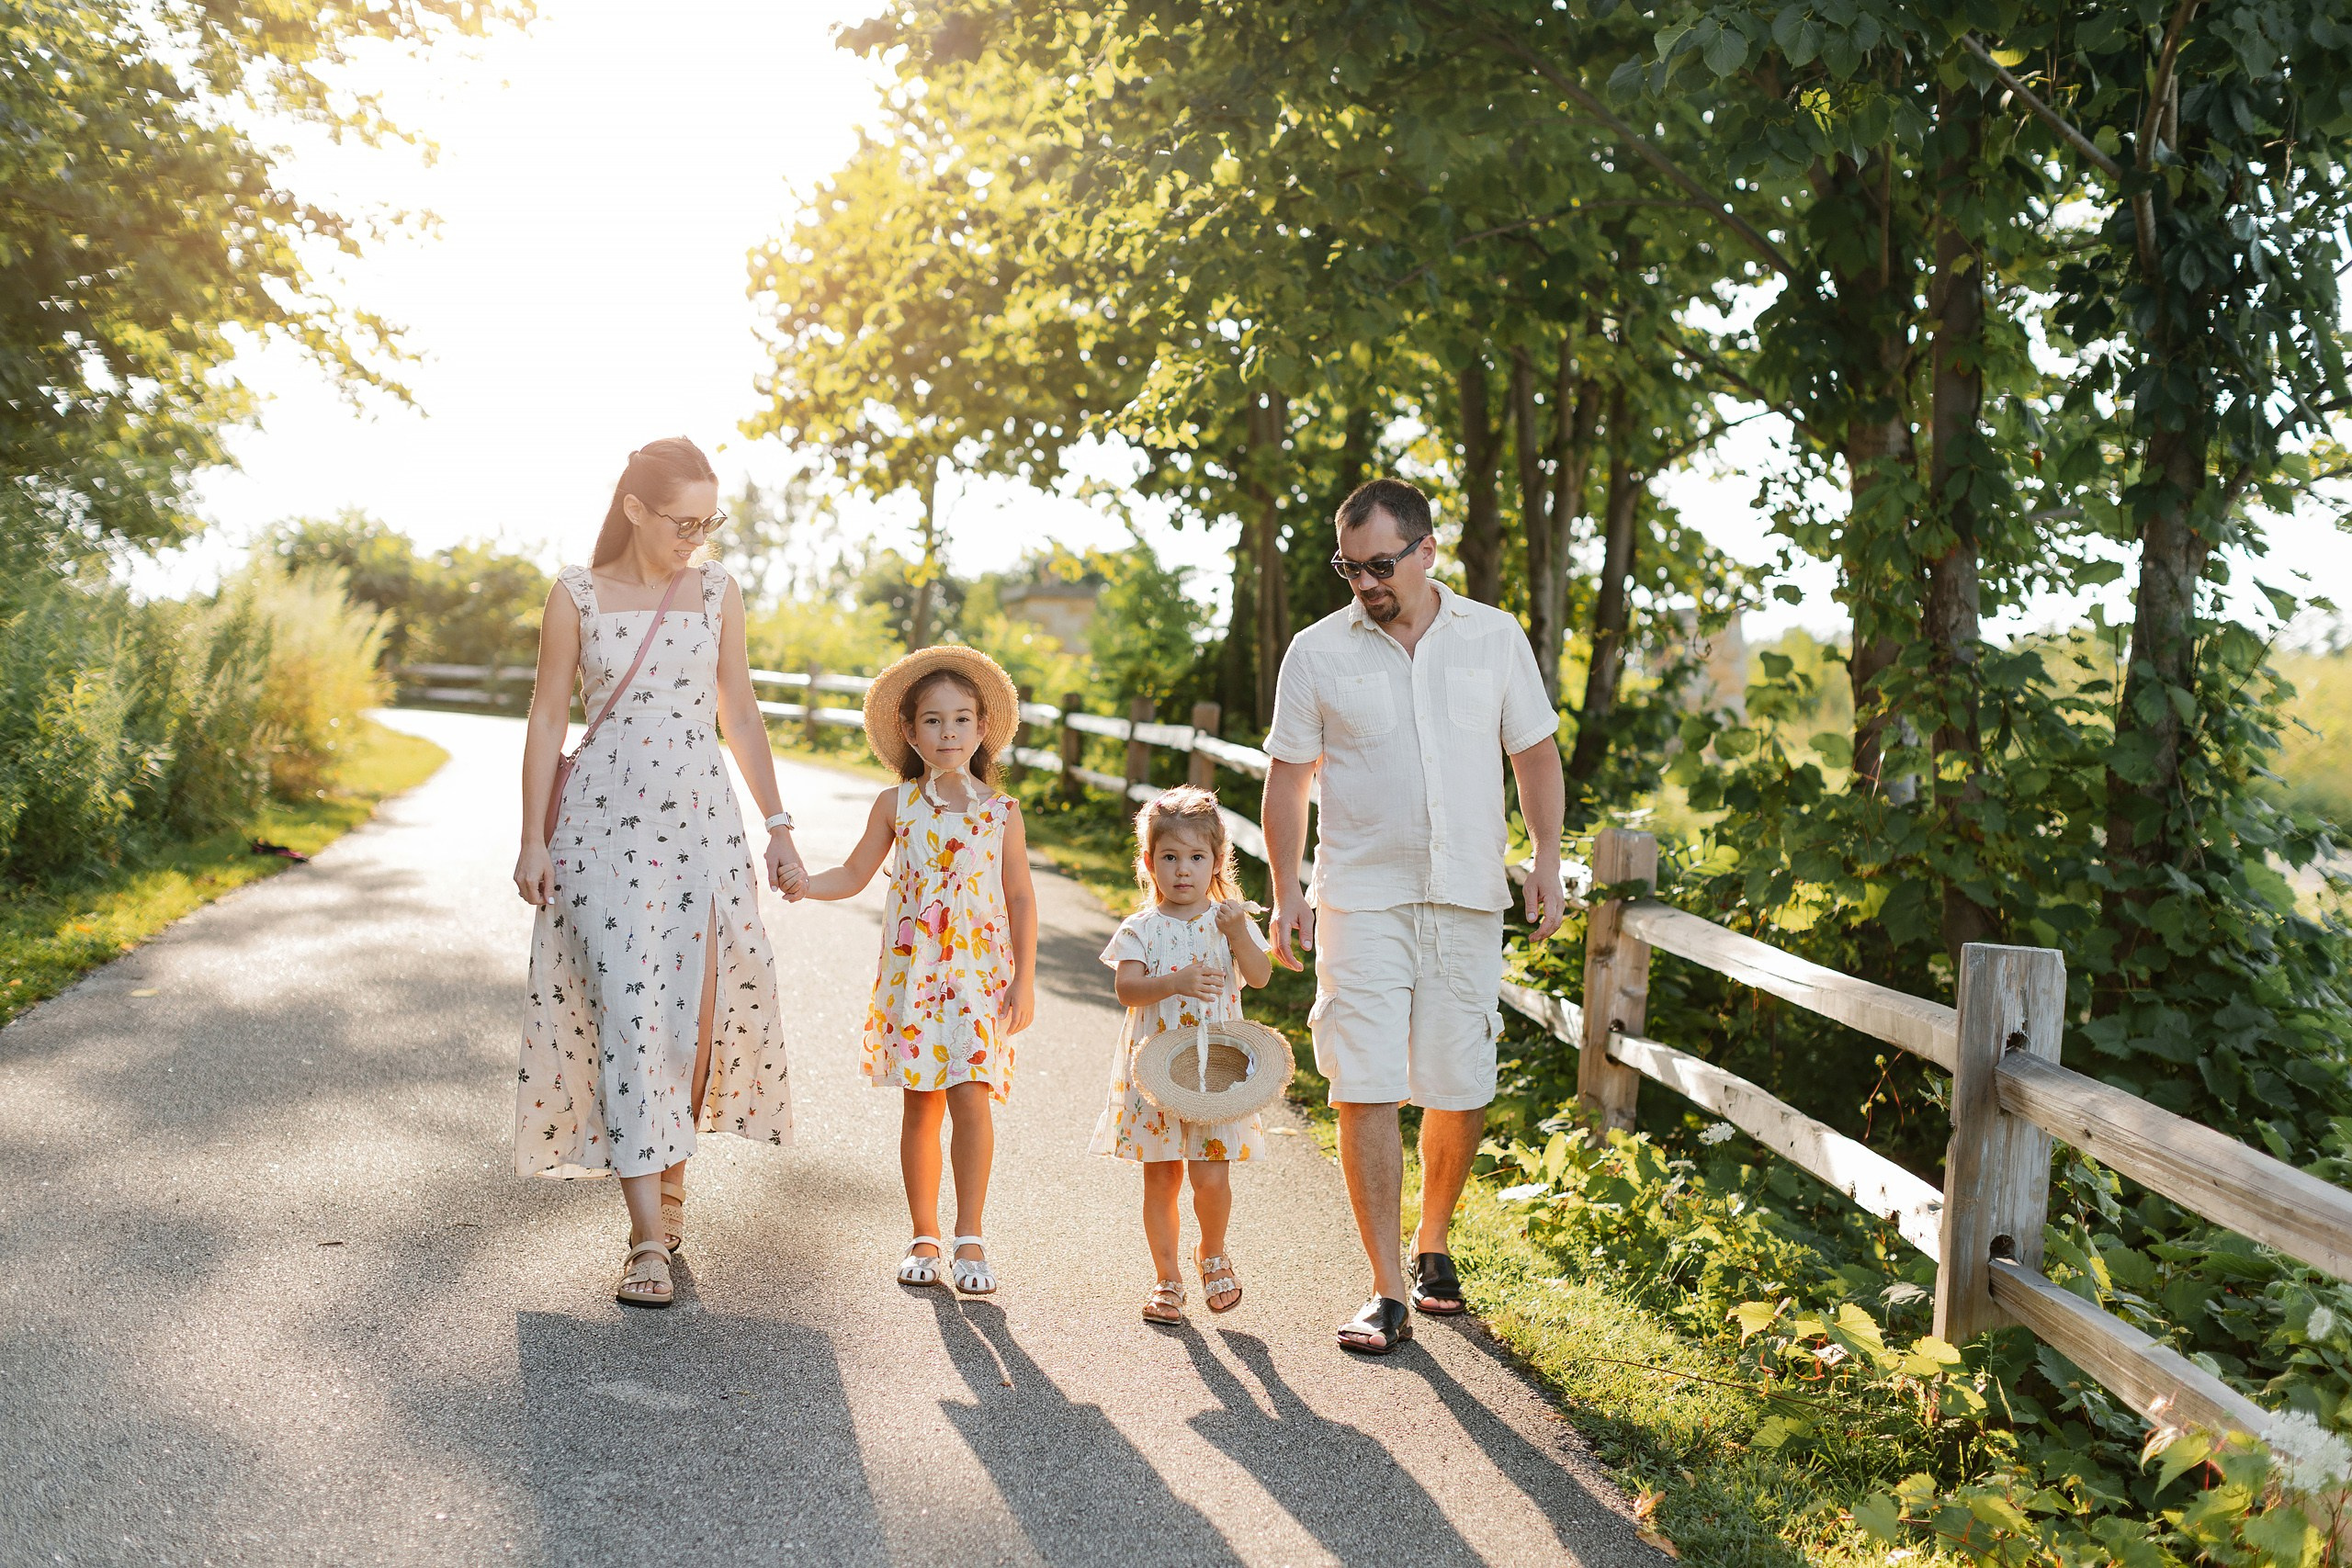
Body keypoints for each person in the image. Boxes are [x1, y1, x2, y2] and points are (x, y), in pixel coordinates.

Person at [1263, 477, 1568, 1355]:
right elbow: (1288, 777)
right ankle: (1385, 1287)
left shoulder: (1494, 637)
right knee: (1361, 1080)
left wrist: (1546, 858)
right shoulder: (1317, 651)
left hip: (1467, 895)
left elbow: (1534, 753)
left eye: (1380, 565)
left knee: (1459, 1085)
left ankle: (1433, 1240)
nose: (1365, 583)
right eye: (1349, 567)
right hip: (1360, 897)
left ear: (1427, 550)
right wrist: (1286, 891)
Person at [513, 436, 806, 1310]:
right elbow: (546, 717)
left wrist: (778, 825)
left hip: (702, 830)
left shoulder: (717, 590)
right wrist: (532, 838)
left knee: (690, 1021)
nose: (696, 536)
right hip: (600, 831)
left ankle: (669, 1193)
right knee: (629, 1012)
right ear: (634, 508)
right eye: (683, 520)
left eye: (708, 520)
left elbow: (739, 711)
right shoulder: (574, 595)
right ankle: (645, 1237)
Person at [799, 646, 1038, 1293]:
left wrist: (1025, 978)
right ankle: (924, 1233)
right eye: (933, 720)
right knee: (922, 1104)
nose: (948, 732)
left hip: (980, 980)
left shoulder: (1002, 812)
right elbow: (854, 873)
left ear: (982, 729)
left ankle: (971, 1235)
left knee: (973, 1098)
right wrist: (806, 883)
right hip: (917, 981)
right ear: (909, 731)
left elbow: (1020, 896)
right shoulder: (896, 804)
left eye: (961, 720)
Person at [1088, 787, 1276, 1325]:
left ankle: (1211, 1252)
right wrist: (1173, 982)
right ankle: (1167, 1277)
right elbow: (1127, 990)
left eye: (1196, 857)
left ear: (1216, 862)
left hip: (1216, 1072)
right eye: (1169, 857)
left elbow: (1261, 976)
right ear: (1149, 863)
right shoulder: (1140, 929)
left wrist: (1240, 934)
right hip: (1157, 1074)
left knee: (1212, 1177)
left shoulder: (1228, 922)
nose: (1183, 870)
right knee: (1163, 1177)